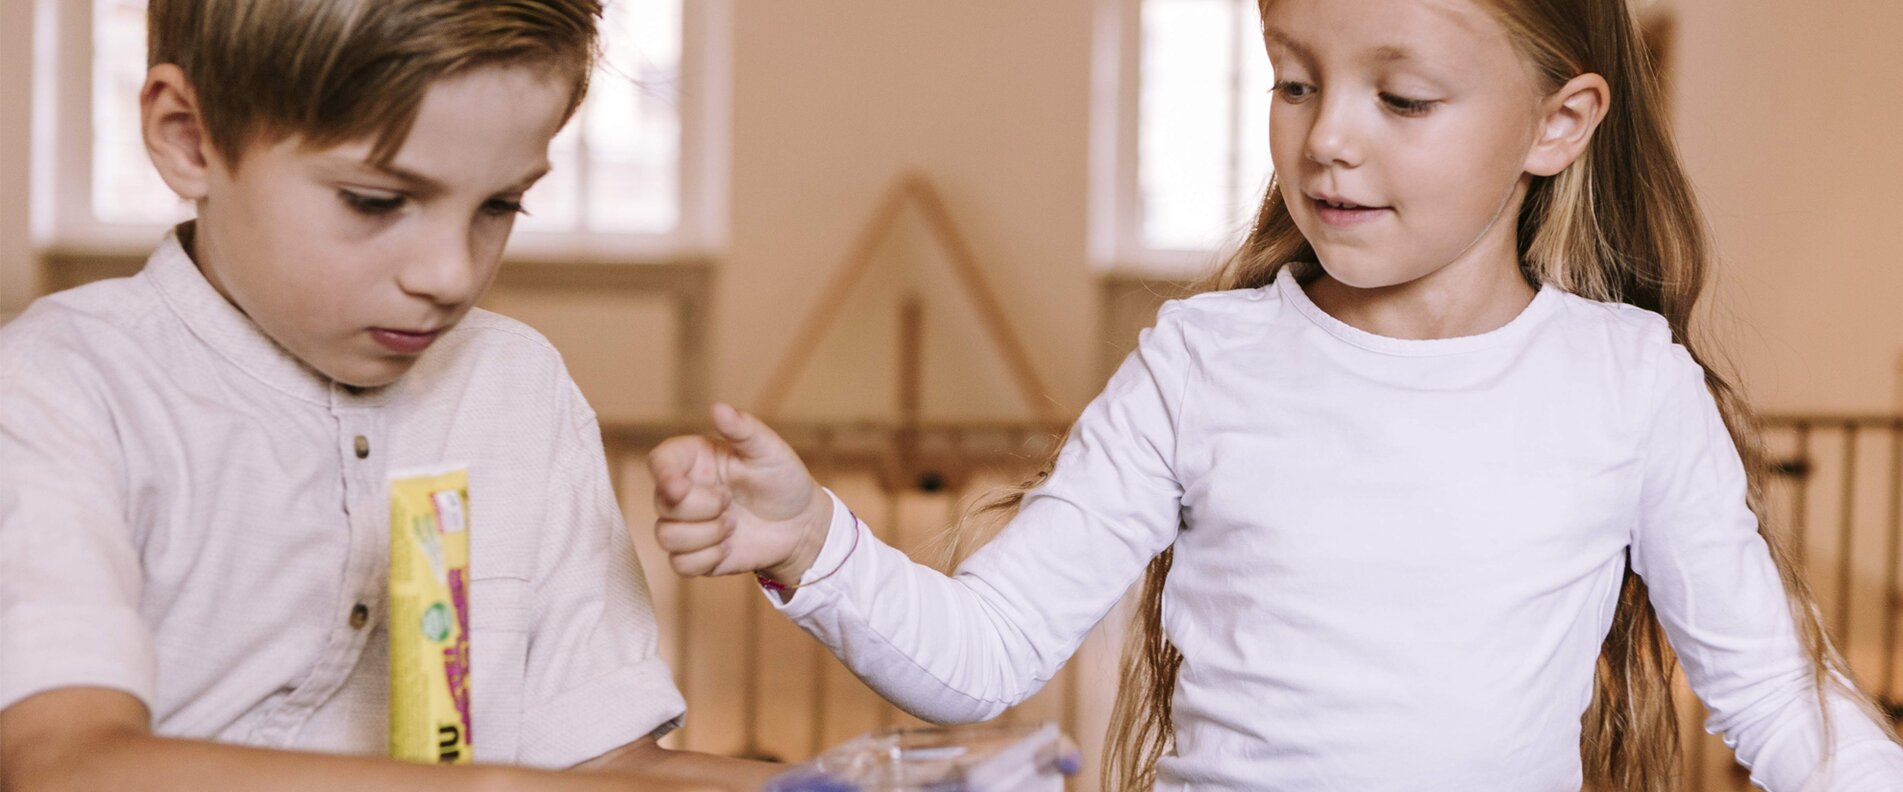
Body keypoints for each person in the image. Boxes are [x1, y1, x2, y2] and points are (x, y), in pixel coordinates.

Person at [647, 0, 1903, 789]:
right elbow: (984, 653)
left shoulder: (1627, 382)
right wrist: (814, 545)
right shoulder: (1202, 361)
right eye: (1294, 80)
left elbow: (1779, 703)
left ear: (1558, 123)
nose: (1326, 139)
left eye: (1400, 97)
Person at [0, 1, 776, 789]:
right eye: (375, 200)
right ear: (189, 138)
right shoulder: (59, 384)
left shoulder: (519, 384)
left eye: (499, 205)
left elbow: (603, 765)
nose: (451, 275)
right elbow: (63, 765)